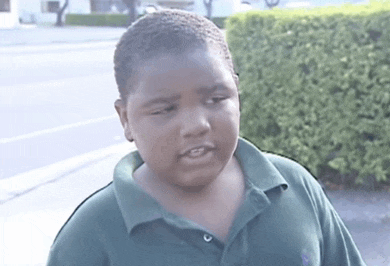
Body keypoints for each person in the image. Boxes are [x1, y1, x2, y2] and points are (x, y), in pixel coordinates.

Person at [46, 9, 366, 266]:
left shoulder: (295, 187)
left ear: (237, 94)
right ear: (126, 119)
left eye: (215, 99)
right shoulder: (92, 233)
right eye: (165, 109)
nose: (196, 124)